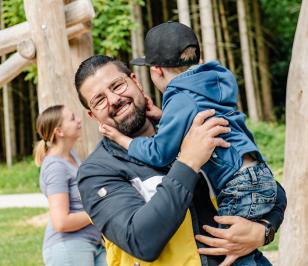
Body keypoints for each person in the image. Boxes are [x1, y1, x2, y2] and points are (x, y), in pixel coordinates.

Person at [74, 55, 286, 266]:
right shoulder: (96, 172)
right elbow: (140, 241)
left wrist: (264, 229)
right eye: (99, 100)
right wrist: (188, 162)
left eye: (117, 86)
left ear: (136, 81)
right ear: (92, 115)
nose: (113, 100)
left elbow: (260, 183)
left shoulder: (190, 125)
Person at [33, 105, 107, 266]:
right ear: (59, 131)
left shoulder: (71, 156)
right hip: (68, 247)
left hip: (92, 244)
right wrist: (100, 211)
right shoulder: (55, 167)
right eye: (73, 118)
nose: (79, 120)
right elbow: (61, 222)